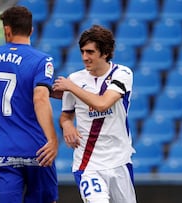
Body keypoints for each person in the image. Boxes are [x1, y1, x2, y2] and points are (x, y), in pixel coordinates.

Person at [52, 25, 137, 203]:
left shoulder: (122, 74)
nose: (84, 57)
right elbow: (66, 115)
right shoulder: (75, 78)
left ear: (105, 53)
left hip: (119, 160)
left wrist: (70, 87)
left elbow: (102, 103)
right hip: (88, 163)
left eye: (90, 52)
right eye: (82, 51)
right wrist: (67, 126)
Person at [0, 6, 59, 203]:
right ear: (31, 30)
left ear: (7, 30)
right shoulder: (43, 60)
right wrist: (52, 139)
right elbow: (40, 97)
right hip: (37, 149)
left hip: (3, 150)